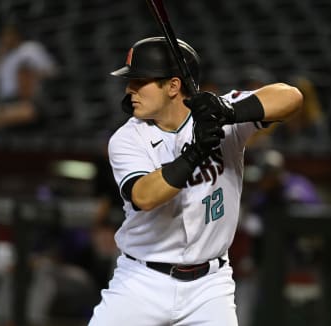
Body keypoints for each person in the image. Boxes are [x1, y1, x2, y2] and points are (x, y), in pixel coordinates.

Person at [88, 36, 303, 325]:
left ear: (173, 86)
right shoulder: (127, 138)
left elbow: (291, 97)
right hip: (141, 281)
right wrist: (196, 152)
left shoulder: (219, 114)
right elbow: (144, 196)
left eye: (140, 81)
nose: (129, 89)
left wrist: (229, 113)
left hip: (209, 287)